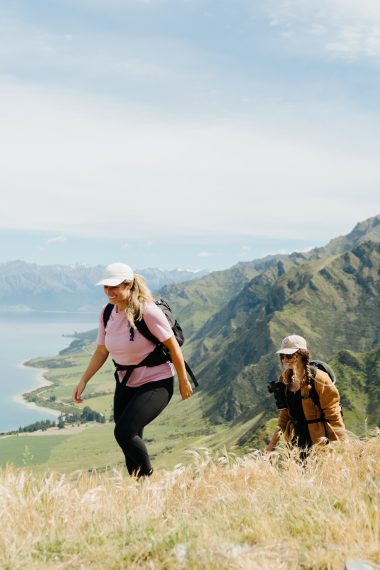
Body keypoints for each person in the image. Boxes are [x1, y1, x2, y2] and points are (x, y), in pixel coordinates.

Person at [72, 262, 193, 477]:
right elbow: (101, 351)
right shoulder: (107, 312)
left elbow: (173, 345)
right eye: (105, 287)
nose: (109, 292)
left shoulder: (146, 310)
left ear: (128, 285)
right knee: (130, 437)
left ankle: (148, 479)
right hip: (125, 382)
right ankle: (139, 490)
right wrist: (84, 380)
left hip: (156, 382)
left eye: (114, 287)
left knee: (124, 432)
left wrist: (183, 380)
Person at [266, 334, 345, 453]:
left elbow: (333, 415)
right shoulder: (284, 380)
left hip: (319, 443)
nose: (285, 360)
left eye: (289, 355)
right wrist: (272, 445)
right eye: (283, 356)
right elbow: (284, 416)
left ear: (302, 355)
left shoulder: (320, 379)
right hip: (295, 444)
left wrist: (342, 448)